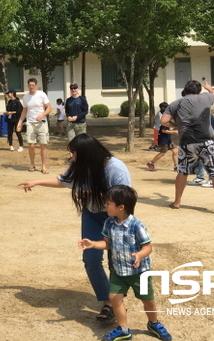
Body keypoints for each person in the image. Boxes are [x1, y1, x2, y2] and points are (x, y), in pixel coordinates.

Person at [18, 133, 131, 323]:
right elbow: (64, 180)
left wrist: (94, 194)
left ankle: (117, 300)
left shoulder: (115, 168)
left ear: (87, 153)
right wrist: (36, 182)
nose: (72, 157)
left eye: (74, 153)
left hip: (115, 219)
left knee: (115, 260)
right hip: (91, 215)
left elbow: (125, 198)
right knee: (91, 258)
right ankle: (108, 303)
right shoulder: (80, 166)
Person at [78, 185, 172, 341]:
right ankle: (123, 329)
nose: (105, 206)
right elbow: (107, 244)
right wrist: (93, 244)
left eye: (108, 203)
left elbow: (148, 247)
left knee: (147, 300)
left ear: (121, 207)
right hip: (118, 272)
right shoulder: (109, 223)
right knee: (114, 298)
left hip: (139, 273)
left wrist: (139, 255)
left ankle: (154, 323)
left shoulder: (137, 225)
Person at [161, 80, 214, 215]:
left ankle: (177, 202)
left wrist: (177, 125)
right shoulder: (205, 97)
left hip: (186, 143)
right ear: (198, 90)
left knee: (182, 171)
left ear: (185, 90)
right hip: (206, 141)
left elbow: (163, 121)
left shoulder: (176, 103)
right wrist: (208, 87)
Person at [16, 78, 53, 174]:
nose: (31, 87)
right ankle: (32, 165)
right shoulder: (25, 97)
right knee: (31, 145)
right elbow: (24, 111)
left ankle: (44, 166)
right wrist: (20, 122)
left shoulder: (41, 95)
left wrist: (42, 115)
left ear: (36, 85)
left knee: (43, 145)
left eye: (33, 85)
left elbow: (49, 108)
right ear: (28, 86)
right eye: (29, 85)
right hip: (30, 123)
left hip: (42, 123)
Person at [146, 103, 178, 171]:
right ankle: (151, 163)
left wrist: (174, 127)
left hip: (168, 138)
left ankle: (176, 166)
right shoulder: (163, 119)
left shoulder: (163, 117)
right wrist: (174, 132)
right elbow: (163, 130)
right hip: (164, 139)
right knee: (162, 153)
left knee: (175, 151)